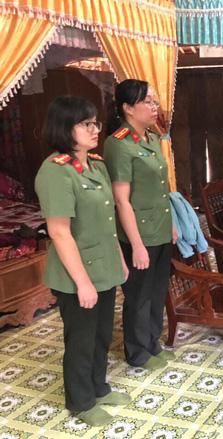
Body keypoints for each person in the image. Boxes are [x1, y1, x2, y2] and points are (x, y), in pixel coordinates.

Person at [35, 96, 130, 426]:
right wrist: (83, 283)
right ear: (65, 128)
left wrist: (119, 258)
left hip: (103, 266)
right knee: (81, 339)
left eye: (95, 123)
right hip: (76, 274)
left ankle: (98, 387)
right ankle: (81, 401)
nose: (94, 129)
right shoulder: (55, 171)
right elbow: (59, 232)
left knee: (102, 334)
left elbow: (106, 221)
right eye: (85, 124)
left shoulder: (96, 165)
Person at [104, 79, 175, 370]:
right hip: (139, 233)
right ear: (128, 108)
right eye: (147, 101)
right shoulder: (119, 144)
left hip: (160, 228)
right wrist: (136, 245)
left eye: (154, 101)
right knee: (139, 294)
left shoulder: (152, 139)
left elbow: (161, 189)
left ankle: (152, 342)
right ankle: (137, 352)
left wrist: (170, 224)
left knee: (157, 291)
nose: (154, 106)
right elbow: (121, 200)